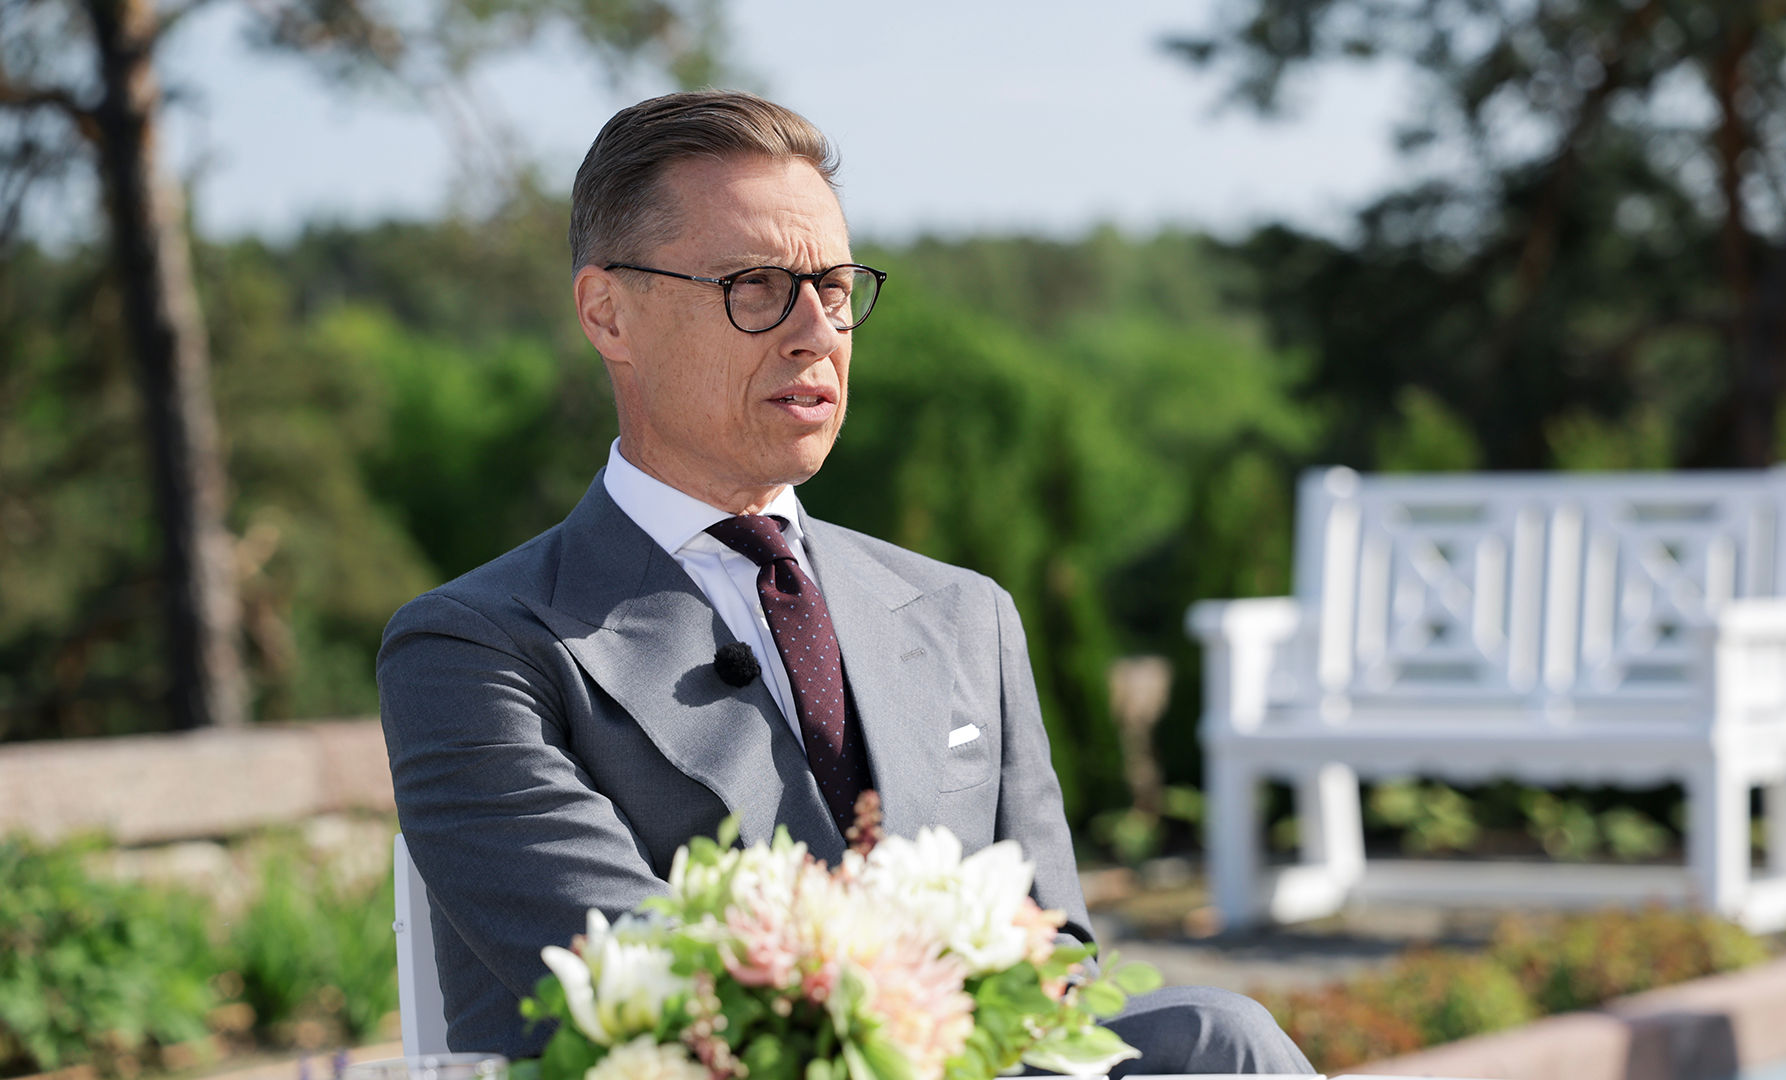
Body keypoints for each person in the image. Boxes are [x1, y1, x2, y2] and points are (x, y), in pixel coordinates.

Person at [377, 89, 1312, 1075]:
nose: (817, 332)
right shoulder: (474, 647)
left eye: (833, 288)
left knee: (1220, 1042)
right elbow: (648, 983)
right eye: (755, 287)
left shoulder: (964, 614)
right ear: (608, 313)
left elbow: (1054, 962)